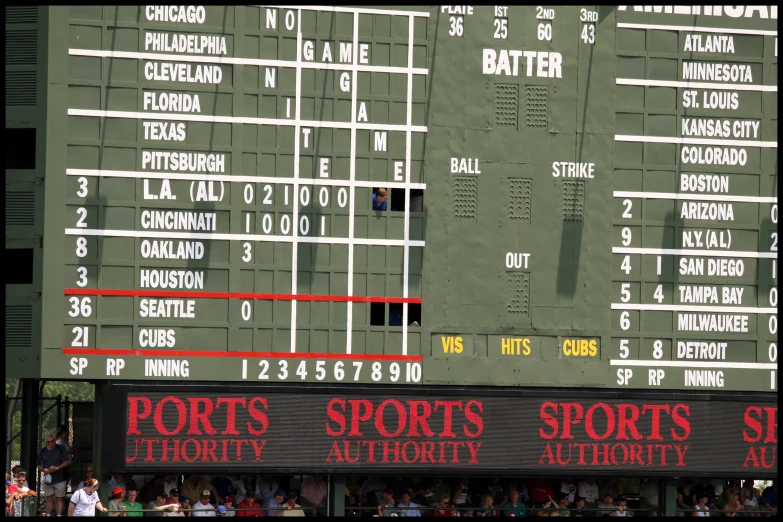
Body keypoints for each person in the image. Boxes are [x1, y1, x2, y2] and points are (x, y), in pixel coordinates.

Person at [37, 432, 72, 517]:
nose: (50, 443)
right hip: (47, 478)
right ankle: (48, 514)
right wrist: (45, 470)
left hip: (59, 478)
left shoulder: (60, 448)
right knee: (48, 498)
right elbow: (38, 465)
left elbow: (67, 461)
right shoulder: (42, 451)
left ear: (55, 441)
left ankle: (59, 515)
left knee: (59, 498)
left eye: (52, 441)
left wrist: (56, 468)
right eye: (48, 442)